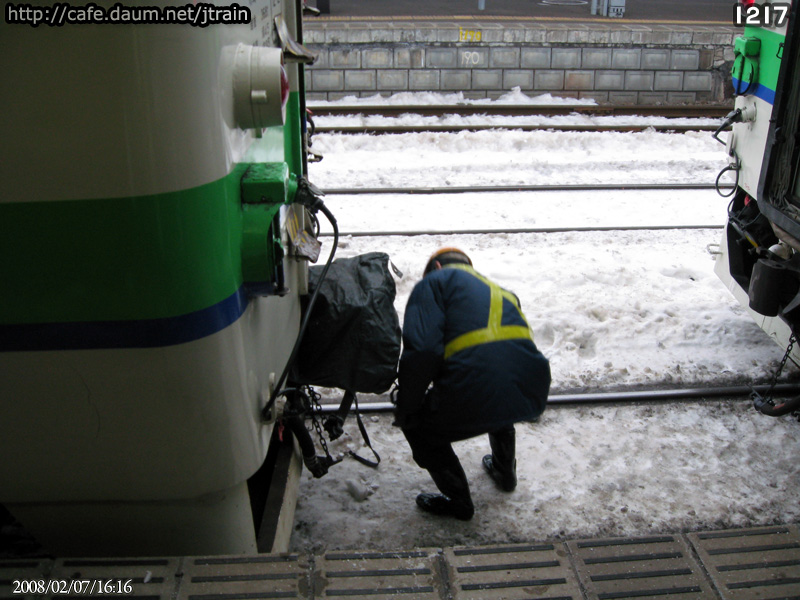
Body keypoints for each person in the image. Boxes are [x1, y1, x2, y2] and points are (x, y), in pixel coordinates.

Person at [394, 248, 551, 520]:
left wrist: (408, 406)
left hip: (479, 390)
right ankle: (505, 472)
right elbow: (504, 354)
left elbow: (423, 351)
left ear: (438, 267)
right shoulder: (502, 291)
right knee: (497, 390)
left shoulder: (432, 284)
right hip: (529, 390)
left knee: (418, 428)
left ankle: (459, 503)